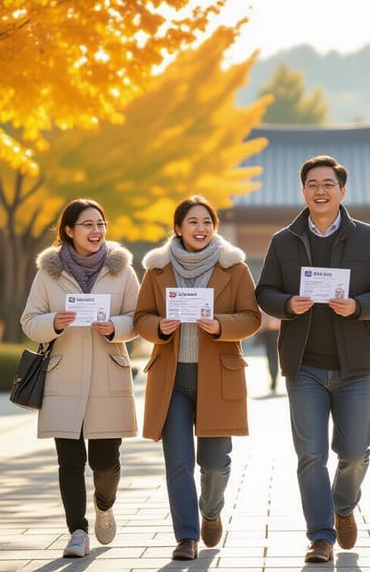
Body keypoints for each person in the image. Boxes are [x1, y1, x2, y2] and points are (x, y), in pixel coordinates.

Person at [255, 155, 370, 563]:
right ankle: (320, 536)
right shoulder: (284, 241)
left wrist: (357, 305)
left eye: (328, 184)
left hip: (355, 365)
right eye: (313, 184)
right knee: (311, 455)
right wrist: (287, 303)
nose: (321, 191)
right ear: (303, 191)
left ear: (342, 191)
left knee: (356, 452)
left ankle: (343, 506)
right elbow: (264, 291)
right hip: (304, 366)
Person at [134, 196, 262, 561]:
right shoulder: (157, 270)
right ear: (178, 228)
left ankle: (210, 509)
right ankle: (186, 537)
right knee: (177, 462)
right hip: (171, 379)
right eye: (192, 222)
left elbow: (251, 318)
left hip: (218, 376)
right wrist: (158, 326)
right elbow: (142, 316)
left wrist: (221, 325)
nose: (200, 228)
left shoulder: (234, 268)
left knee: (216, 463)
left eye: (207, 222)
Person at [20, 198, 141, 558]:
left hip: (108, 375)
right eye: (87, 224)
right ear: (69, 231)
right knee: (69, 462)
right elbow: (29, 321)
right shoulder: (48, 273)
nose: (96, 231)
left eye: (101, 223)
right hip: (64, 378)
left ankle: (104, 505)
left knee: (106, 462)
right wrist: (55, 322)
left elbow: (139, 317)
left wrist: (114, 327)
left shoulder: (123, 271)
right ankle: (77, 531)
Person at [257, 312, 281, 393]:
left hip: (274, 329)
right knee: (272, 356)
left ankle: (274, 381)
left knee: (272, 356)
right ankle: (273, 380)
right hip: (270, 330)